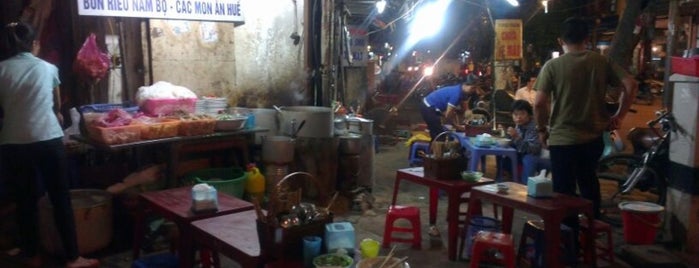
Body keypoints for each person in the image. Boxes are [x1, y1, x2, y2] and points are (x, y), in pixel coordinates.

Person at [0, 22, 99, 268]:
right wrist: (55, 114)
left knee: (25, 200)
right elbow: (57, 108)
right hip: (47, 139)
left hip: (13, 142)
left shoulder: (0, 70)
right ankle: (73, 258)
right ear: (35, 44)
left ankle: (31, 254)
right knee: (59, 199)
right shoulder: (48, 68)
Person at [533, 17, 637, 222]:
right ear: (587, 39)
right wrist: (620, 116)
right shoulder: (601, 61)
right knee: (589, 183)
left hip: (562, 140)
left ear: (560, 40)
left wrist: (541, 130)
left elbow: (538, 103)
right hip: (593, 139)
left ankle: (568, 237)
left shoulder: (552, 66)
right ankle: (591, 229)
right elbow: (630, 84)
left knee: (563, 191)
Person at [420, 74, 481, 140]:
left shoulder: (464, 93)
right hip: (428, 106)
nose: (474, 90)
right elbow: (448, 115)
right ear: (465, 84)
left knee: (438, 132)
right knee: (439, 136)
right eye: (473, 88)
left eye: (475, 88)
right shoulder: (456, 94)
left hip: (434, 107)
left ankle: (435, 147)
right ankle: (435, 149)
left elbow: (466, 110)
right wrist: (456, 126)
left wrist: (471, 120)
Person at [505, 100, 550, 183]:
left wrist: (516, 137)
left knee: (529, 159)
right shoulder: (520, 125)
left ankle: (525, 187)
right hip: (528, 154)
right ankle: (505, 179)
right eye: (515, 114)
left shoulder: (534, 126)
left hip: (544, 158)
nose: (518, 117)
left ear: (529, 114)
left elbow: (534, 150)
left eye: (522, 114)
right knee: (504, 153)